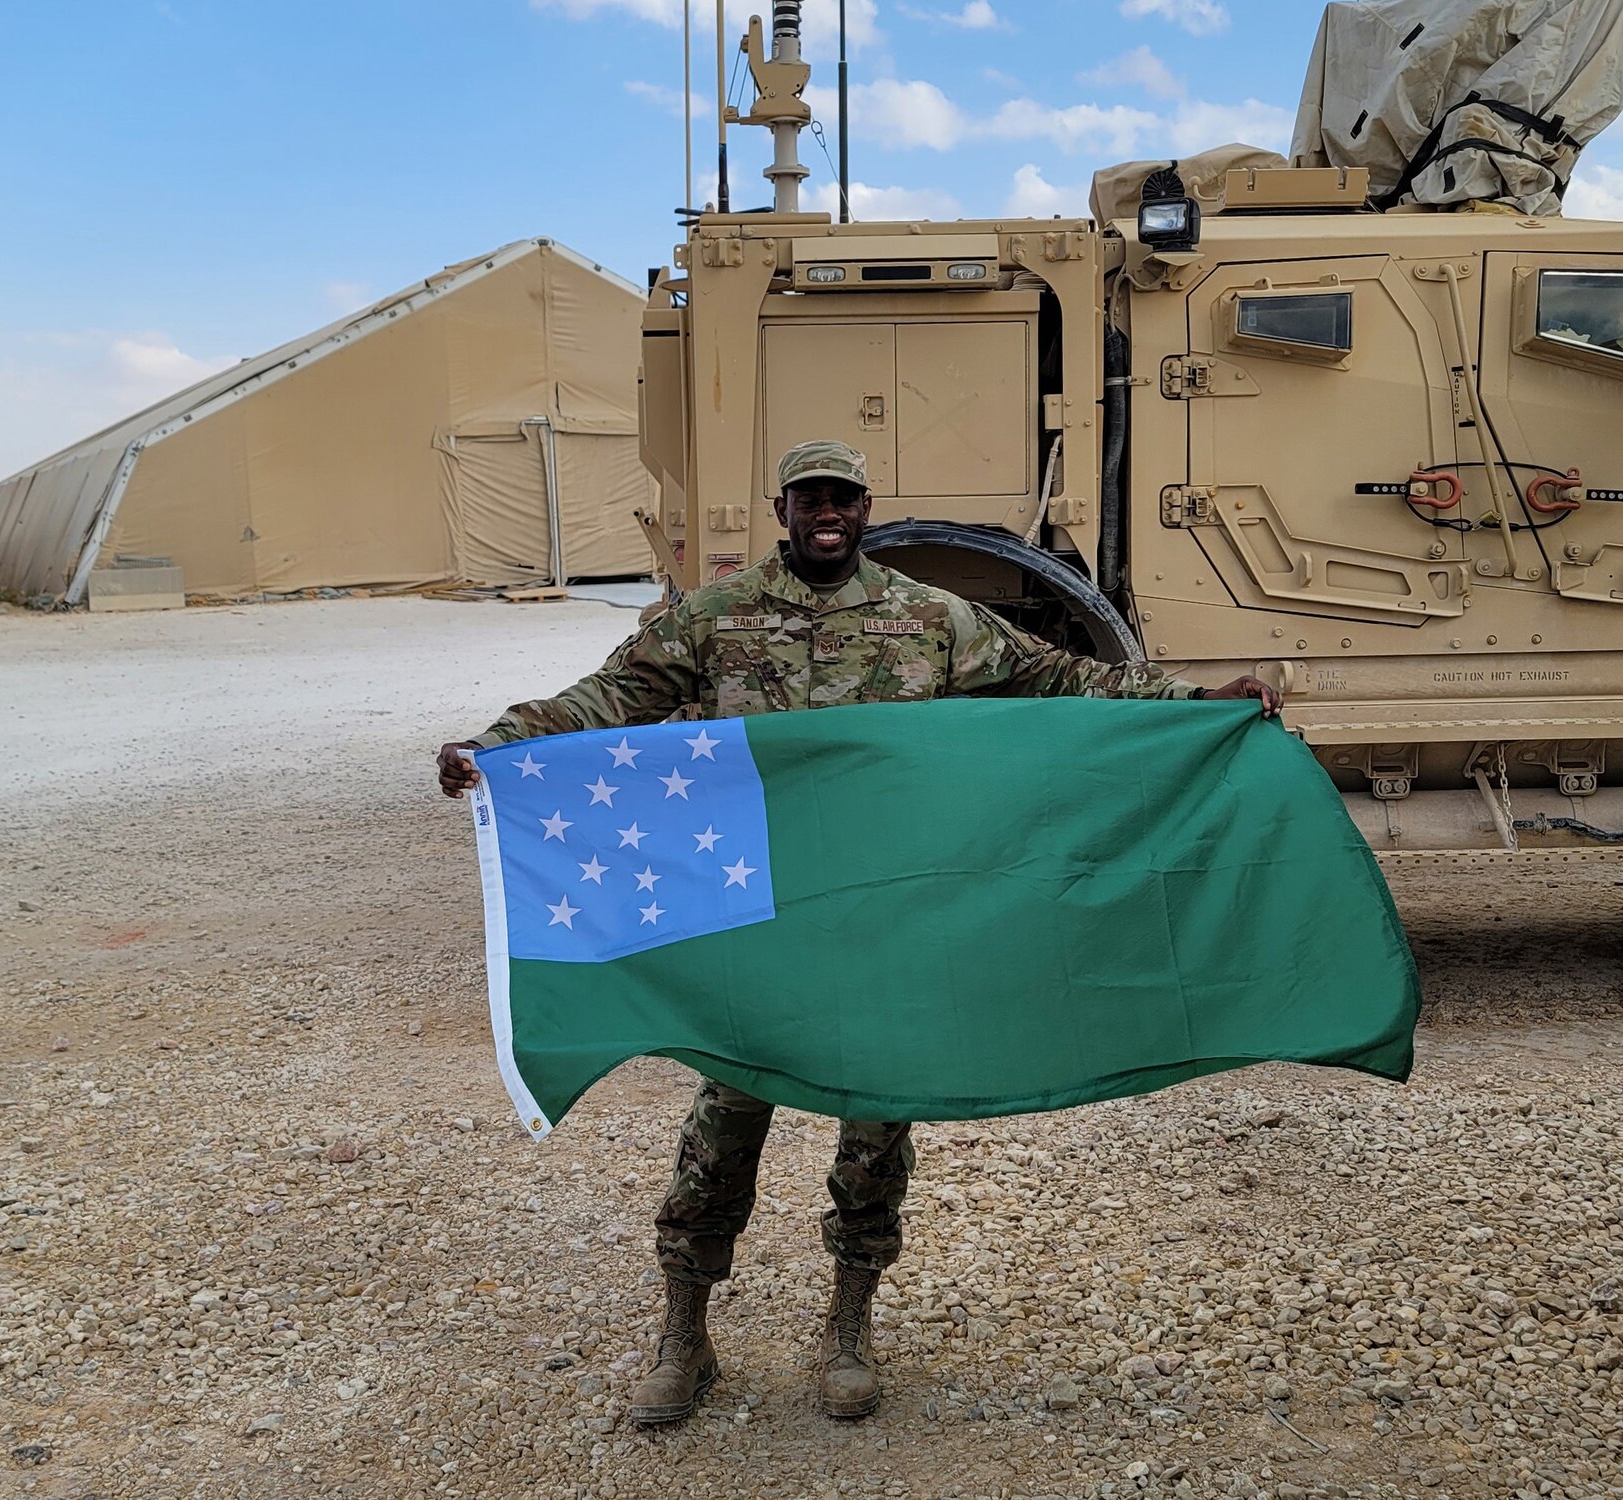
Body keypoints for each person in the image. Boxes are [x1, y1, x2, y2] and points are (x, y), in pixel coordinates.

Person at [437, 438, 1281, 1424]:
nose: (825, 512)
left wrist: (1195, 703)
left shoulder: (927, 618)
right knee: (722, 1124)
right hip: (759, 916)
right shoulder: (715, 618)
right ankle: (685, 1338)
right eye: (807, 499)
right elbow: (609, 698)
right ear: (781, 509)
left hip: (883, 912)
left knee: (877, 1126)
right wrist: (494, 746)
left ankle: (847, 1330)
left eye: (840, 497)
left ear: (866, 507)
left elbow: (1059, 679)